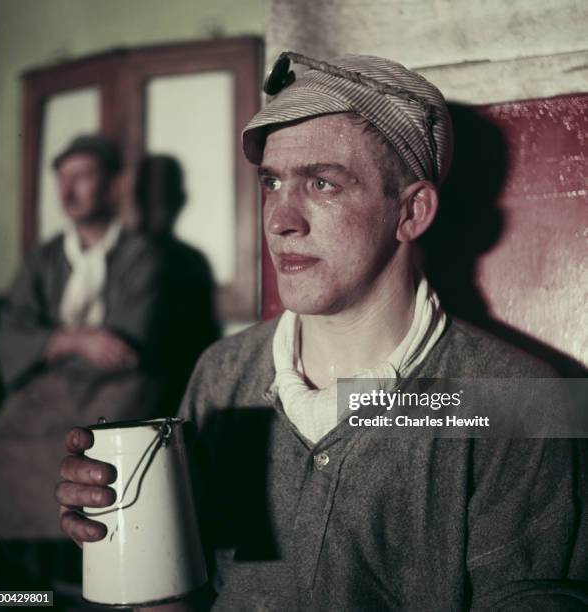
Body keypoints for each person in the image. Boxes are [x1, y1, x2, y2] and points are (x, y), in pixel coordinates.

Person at [56, 54, 587, 610]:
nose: (281, 220)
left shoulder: (520, 402)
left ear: (411, 212)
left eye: (323, 183)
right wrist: (126, 533)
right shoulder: (224, 372)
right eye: (273, 182)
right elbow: (199, 588)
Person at [0, 134, 164, 587]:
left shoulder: (142, 255)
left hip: (115, 386)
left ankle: (83, 581)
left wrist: (56, 347)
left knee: (91, 459)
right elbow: (12, 334)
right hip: (42, 388)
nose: (68, 191)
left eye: (82, 176)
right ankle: (14, 592)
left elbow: (125, 345)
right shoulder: (43, 258)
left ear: (114, 186)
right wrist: (74, 340)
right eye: (62, 178)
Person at [135, 154, 220, 416]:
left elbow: (205, 340)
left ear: (179, 202)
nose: (158, 210)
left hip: (179, 393)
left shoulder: (192, 262)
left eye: (165, 200)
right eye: (151, 200)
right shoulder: (121, 260)